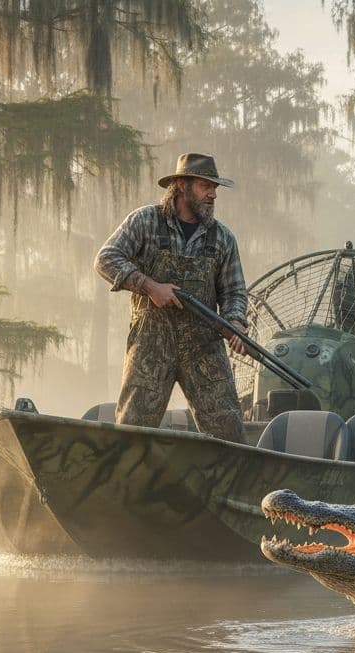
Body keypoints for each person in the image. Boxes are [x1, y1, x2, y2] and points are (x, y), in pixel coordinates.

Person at [94, 152, 251, 442]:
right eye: (206, 185)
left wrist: (235, 323)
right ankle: (127, 487)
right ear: (181, 184)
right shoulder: (145, 221)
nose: (213, 194)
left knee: (228, 432)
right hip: (151, 347)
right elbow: (106, 259)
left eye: (215, 187)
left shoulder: (222, 238)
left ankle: (228, 488)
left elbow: (234, 291)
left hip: (204, 348)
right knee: (132, 432)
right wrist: (150, 286)